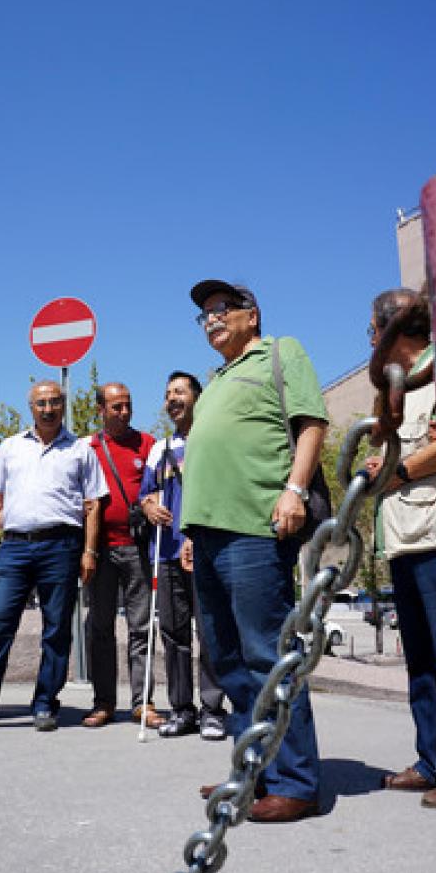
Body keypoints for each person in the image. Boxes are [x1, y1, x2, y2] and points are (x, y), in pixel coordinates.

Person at [181, 280, 328, 823]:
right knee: (229, 662)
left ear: (252, 314)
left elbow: (310, 423)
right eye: (204, 316)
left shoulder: (279, 351)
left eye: (221, 309)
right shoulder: (217, 378)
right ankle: (252, 770)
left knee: (267, 655)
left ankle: (296, 782)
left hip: (256, 528)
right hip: (210, 534)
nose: (212, 320)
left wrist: (293, 489)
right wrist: (193, 533)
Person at [0, 380, 107, 732]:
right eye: (41, 403)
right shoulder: (10, 447)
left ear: (62, 406)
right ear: (31, 407)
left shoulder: (81, 450)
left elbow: (93, 505)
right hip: (15, 547)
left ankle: (45, 704)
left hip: (62, 547)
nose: (48, 409)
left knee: (56, 632)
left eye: (54, 402)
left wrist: (89, 551)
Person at [365, 289, 436, 809]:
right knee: (419, 660)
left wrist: (398, 470)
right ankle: (432, 760)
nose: (371, 341)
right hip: (402, 538)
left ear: (392, 328)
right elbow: (384, 444)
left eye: (372, 330)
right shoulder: (393, 387)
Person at [139, 371, 226, 740]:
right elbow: (146, 494)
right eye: (167, 393)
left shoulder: (214, 439)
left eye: (179, 392)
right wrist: (148, 506)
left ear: (197, 397)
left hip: (205, 550)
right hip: (166, 552)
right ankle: (181, 709)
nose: (172, 399)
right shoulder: (159, 449)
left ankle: (212, 710)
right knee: (173, 635)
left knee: (210, 632)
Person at [82, 382, 162, 729]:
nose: (124, 412)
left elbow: (161, 486)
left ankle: (143, 703)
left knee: (141, 628)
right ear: (101, 410)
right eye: (116, 407)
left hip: (138, 549)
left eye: (128, 405)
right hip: (99, 552)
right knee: (99, 628)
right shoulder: (88, 447)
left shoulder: (148, 444)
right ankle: (103, 703)